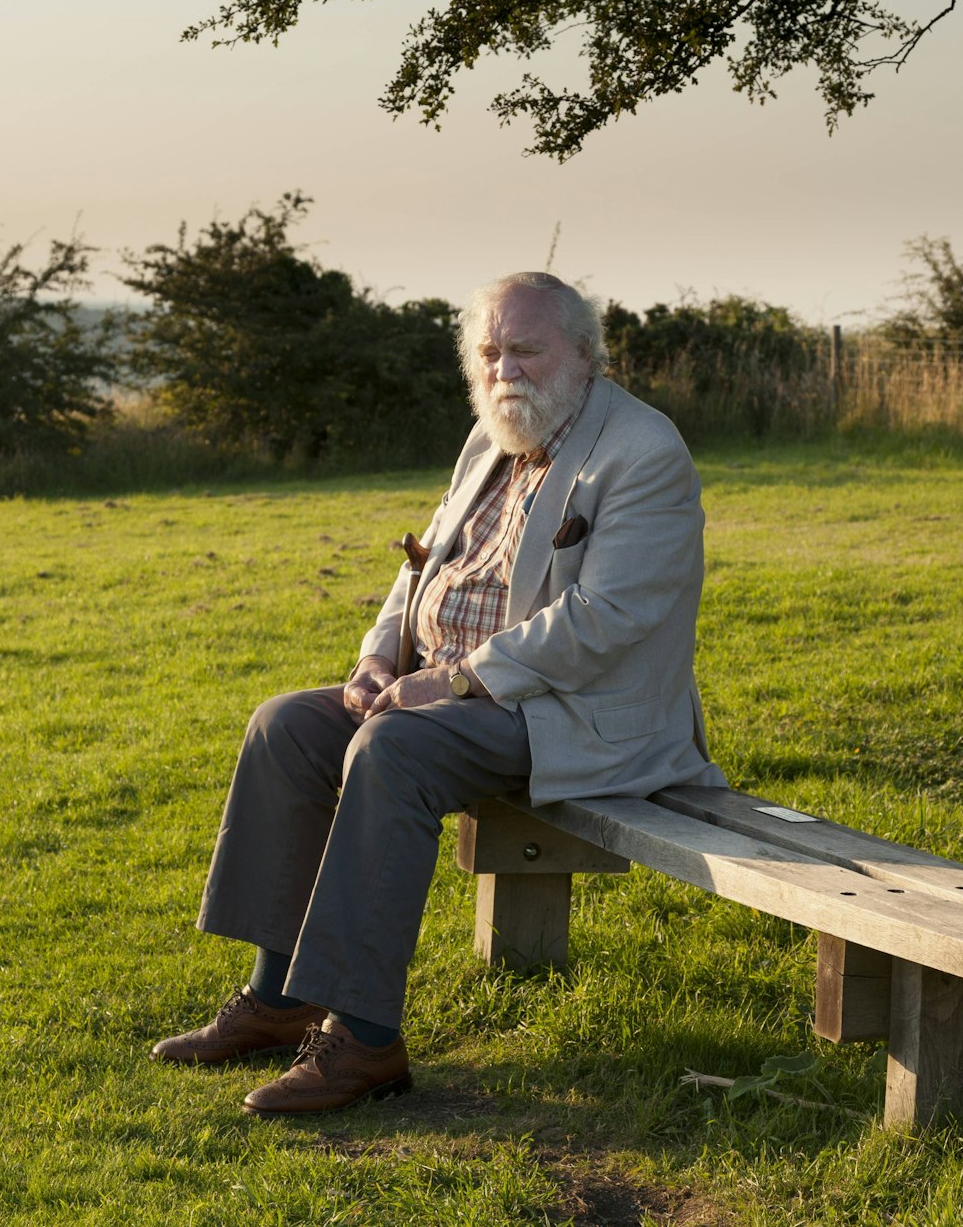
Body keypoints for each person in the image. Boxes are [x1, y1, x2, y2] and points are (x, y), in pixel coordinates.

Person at [150, 271, 726, 1116]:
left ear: (585, 354)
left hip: (568, 714)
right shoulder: (488, 437)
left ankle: (365, 1039)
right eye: (489, 352)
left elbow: (607, 617)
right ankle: (277, 1000)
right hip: (448, 694)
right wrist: (377, 659)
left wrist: (453, 678)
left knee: (390, 750)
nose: (505, 371)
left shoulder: (644, 449)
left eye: (526, 349)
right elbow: (423, 567)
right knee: (286, 726)